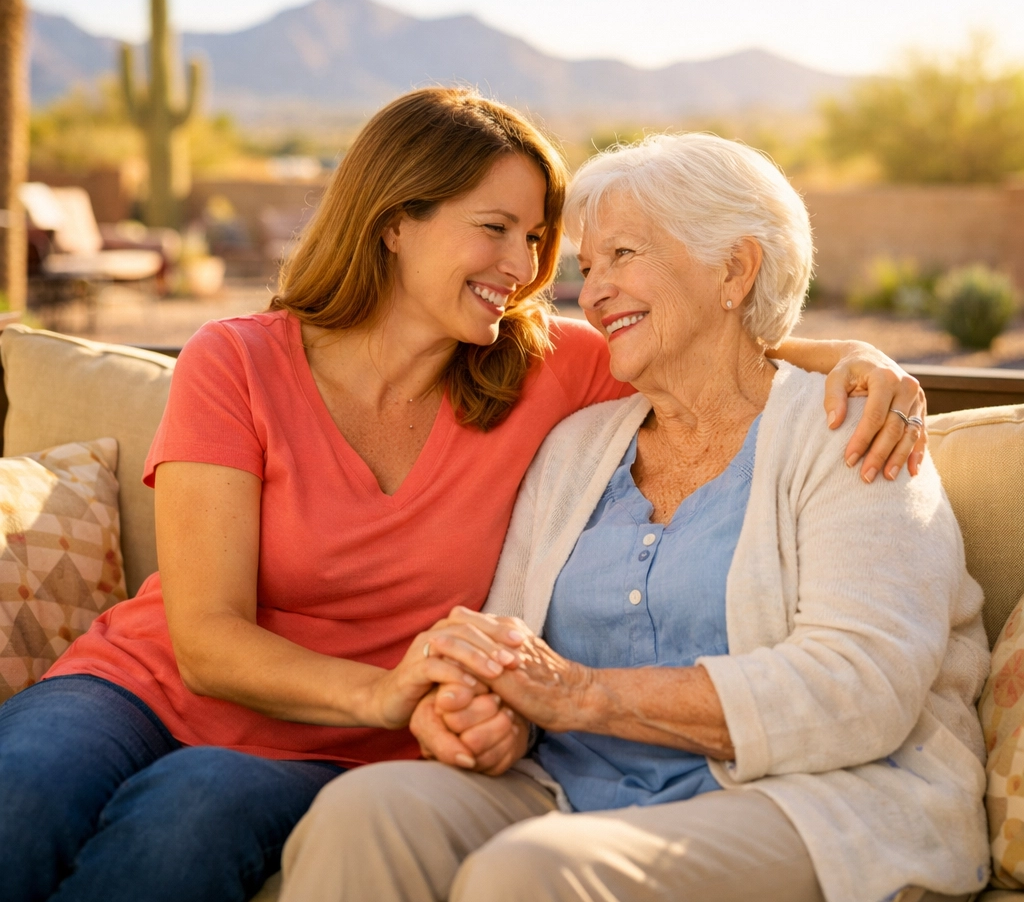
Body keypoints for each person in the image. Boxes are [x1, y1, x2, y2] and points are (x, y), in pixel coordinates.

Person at [0, 92, 925, 902]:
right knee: (21, 791)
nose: (525, 267)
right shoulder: (236, 360)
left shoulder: (543, 370)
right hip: (152, 687)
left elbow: (708, 346)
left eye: (537, 239)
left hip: (344, 744)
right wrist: (387, 692)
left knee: (187, 817)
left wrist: (859, 360)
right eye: (496, 228)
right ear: (394, 222)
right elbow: (205, 641)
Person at [279, 132, 988, 902]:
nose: (593, 293)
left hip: (810, 800)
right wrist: (488, 712)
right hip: (573, 787)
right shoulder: (577, 448)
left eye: (623, 255)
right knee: (364, 812)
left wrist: (583, 694)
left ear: (735, 269)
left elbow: (862, 686)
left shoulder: (853, 430)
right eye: (589, 268)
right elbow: (514, 645)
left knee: (532, 871)